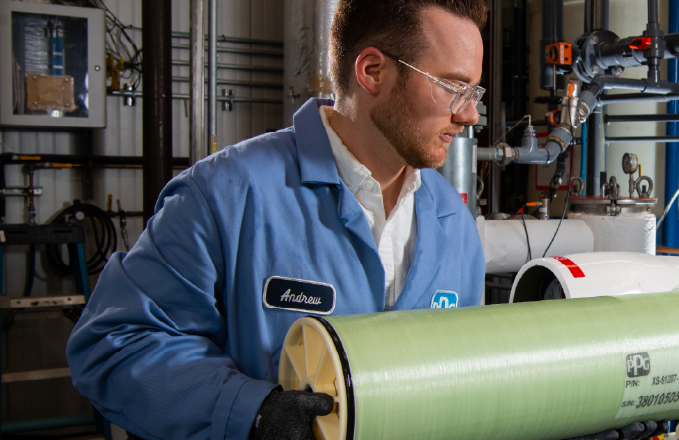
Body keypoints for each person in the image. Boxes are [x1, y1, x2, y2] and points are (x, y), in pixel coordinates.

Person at [66, 0, 486, 438]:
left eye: (473, 93)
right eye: (453, 87)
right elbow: (113, 346)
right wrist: (255, 412)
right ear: (372, 71)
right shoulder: (227, 194)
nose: (469, 115)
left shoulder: (453, 225)